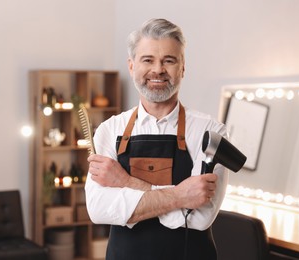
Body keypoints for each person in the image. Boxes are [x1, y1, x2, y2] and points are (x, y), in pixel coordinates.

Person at [85, 18, 228, 260]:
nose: (158, 70)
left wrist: (125, 182)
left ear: (182, 68)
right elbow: (100, 210)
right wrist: (181, 196)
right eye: (148, 60)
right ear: (132, 66)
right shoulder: (109, 130)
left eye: (169, 61)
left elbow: (200, 218)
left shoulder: (211, 132)